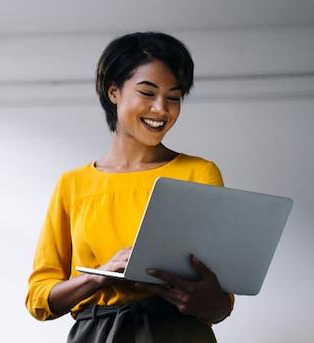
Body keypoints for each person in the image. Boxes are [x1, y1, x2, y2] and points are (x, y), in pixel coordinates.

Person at [25, 32, 235, 342]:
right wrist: (100, 275)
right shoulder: (73, 185)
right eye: (147, 93)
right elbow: (39, 299)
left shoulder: (199, 173)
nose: (161, 109)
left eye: (173, 96)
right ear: (113, 92)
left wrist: (206, 301)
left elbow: (221, 303)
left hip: (179, 332)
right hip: (98, 333)